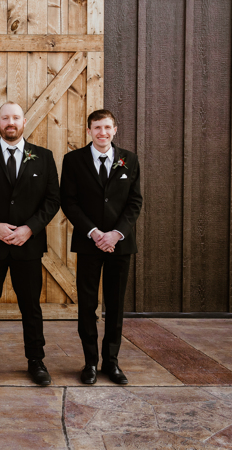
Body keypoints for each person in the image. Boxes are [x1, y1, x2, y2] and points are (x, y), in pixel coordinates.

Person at [0, 101, 60, 384]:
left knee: (31, 306)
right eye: (5, 117)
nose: (10, 122)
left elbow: (52, 200)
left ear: (24, 121)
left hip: (27, 244)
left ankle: (36, 361)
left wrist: (30, 228)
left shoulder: (43, 156)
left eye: (15, 117)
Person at [61, 109, 142, 385]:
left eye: (107, 127)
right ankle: (90, 363)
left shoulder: (129, 160)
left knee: (115, 304)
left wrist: (116, 234)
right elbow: (69, 201)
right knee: (87, 304)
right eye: (97, 128)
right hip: (88, 243)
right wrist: (95, 233)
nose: (102, 133)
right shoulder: (73, 161)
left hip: (120, 244)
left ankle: (112, 362)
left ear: (115, 129)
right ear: (89, 131)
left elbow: (134, 202)